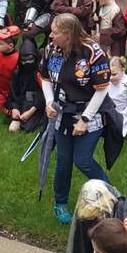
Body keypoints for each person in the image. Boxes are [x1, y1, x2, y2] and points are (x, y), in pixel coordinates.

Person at [41, 13, 112, 224]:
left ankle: (109, 195)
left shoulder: (93, 52)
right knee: (63, 160)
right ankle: (60, 203)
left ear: (68, 33)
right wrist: (48, 102)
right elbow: (45, 78)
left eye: (55, 32)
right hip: (62, 113)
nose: (51, 36)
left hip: (91, 112)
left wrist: (85, 120)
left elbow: (101, 91)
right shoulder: (51, 49)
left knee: (82, 159)